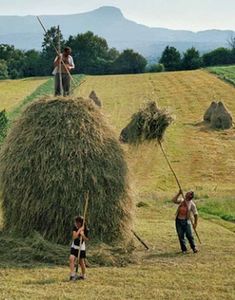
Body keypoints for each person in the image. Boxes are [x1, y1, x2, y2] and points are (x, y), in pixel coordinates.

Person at [69, 216, 89, 281]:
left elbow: (87, 239)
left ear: (81, 223)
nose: (76, 224)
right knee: (71, 258)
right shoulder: (75, 227)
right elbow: (74, 237)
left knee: (81, 262)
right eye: (76, 222)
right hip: (74, 246)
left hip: (81, 247)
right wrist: (79, 230)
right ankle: (72, 275)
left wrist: (82, 235)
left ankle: (83, 275)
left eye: (77, 222)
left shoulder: (85, 229)